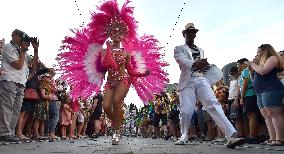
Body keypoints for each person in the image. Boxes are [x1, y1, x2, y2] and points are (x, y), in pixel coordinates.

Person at [57, 0, 168, 145]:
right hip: (110, 82)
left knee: (117, 101)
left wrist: (143, 74)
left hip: (124, 81)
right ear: (110, 34)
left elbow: (131, 71)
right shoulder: (104, 51)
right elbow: (105, 64)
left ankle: (116, 132)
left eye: (119, 32)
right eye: (114, 32)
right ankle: (118, 122)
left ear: (123, 36)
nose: (116, 34)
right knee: (106, 106)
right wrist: (108, 49)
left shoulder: (127, 53)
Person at [174, 23, 244, 148]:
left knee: (213, 103)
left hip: (201, 78)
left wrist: (204, 66)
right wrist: (195, 64)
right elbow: (182, 61)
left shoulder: (201, 50)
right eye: (188, 32)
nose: (191, 34)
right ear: (184, 34)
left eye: (193, 32)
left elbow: (202, 65)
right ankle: (184, 135)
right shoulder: (179, 48)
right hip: (187, 81)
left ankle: (231, 136)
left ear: (195, 34)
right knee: (186, 110)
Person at [0, 29, 38, 142]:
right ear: (14, 35)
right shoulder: (8, 47)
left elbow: (34, 64)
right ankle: (4, 132)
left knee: (16, 109)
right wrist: (22, 51)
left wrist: (35, 50)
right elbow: (17, 65)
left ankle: (10, 133)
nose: (23, 38)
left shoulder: (23, 51)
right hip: (9, 80)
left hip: (21, 83)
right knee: (7, 107)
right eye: (21, 36)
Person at [245, 44, 284, 146]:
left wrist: (252, 63)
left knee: (275, 114)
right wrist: (251, 69)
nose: (257, 54)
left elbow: (263, 71)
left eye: (259, 52)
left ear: (265, 51)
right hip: (260, 91)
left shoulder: (273, 58)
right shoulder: (261, 63)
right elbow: (254, 79)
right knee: (266, 116)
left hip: (271, 88)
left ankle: (280, 138)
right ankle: (272, 138)